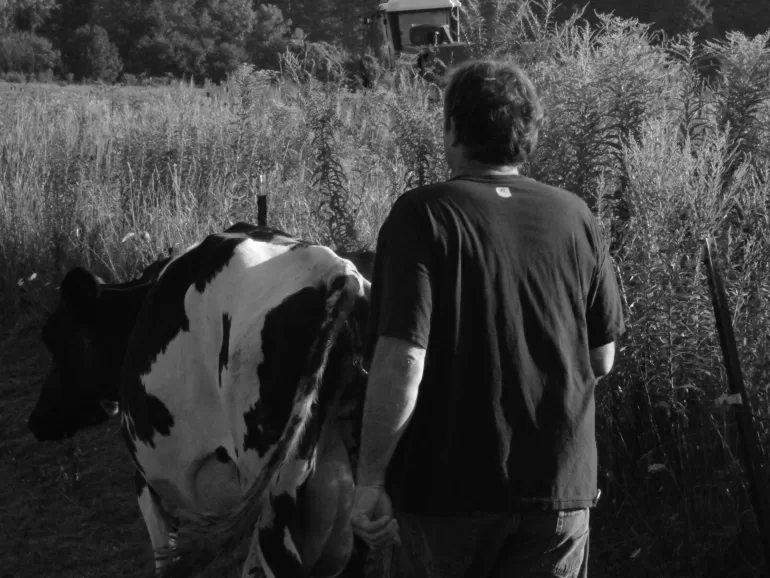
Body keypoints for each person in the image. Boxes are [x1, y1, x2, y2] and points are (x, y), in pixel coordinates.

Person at [349, 58, 626, 578]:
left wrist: (369, 482)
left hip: (444, 494)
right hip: (558, 491)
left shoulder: (423, 214)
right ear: (528, 134)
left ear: (453, 130)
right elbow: (601, 358)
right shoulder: (575, 216)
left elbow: (404, 359)